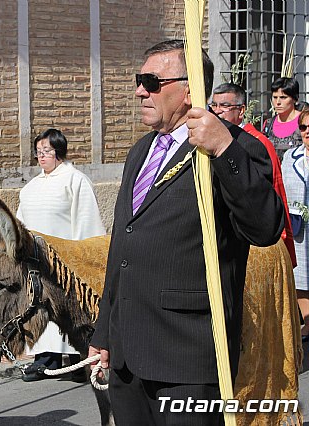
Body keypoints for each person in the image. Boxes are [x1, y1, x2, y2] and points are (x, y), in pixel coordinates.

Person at [89, 40, 283, 425]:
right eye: (138, 80)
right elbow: (123, 247)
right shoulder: (141, 151)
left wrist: (225, 147)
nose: (140, 90)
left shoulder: (234, 147)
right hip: (128, 354)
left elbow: (265, 227)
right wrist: (104, 332)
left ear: (190, 89)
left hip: (187, 358)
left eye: (151, 81)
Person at [16, 128, 105, 382]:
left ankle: (78, 360)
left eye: (46, 151)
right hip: (38, 262)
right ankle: (45, 359)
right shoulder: (31, 187)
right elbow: (21, 222)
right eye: (38, 152)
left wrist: (83, 259)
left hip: (65, 262)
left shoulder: (75, 180)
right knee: (38, 308)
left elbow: (86, 220)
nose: (41, 157)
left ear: (59, 152)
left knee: (69, 310)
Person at [210, 82, 296, 267]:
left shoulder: (255, 142)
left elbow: (269, 191)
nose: (217, 111)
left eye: (225, 106)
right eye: (214, 105)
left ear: (241, 111)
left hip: (253, 242)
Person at [281, 108, 309, 345]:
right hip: (300, 226)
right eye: (303, 127)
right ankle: (307, 324)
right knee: (300, 279)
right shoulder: (291, 156)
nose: (307, 132)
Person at [262, 77, 302, 159]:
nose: (278, 102)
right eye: (275, 97)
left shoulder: (304, 122)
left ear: (294, 99)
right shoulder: (268, 125)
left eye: (283, 97)